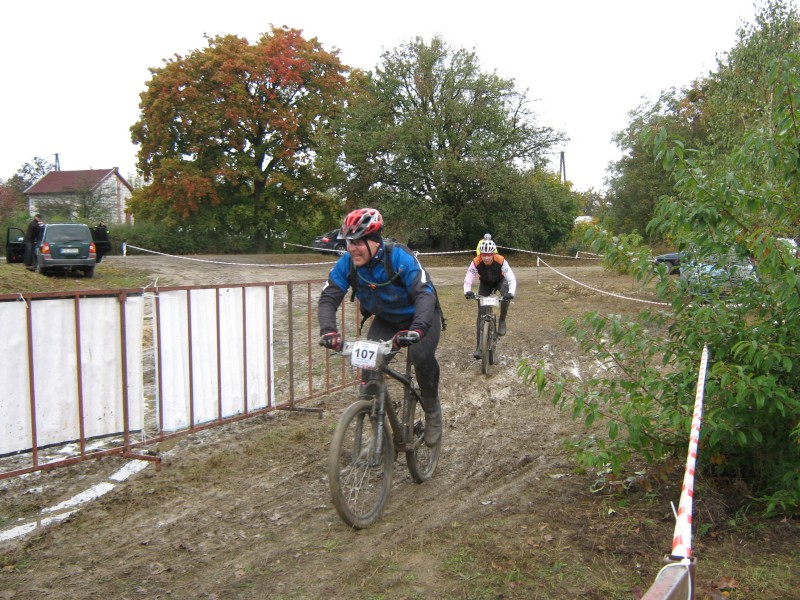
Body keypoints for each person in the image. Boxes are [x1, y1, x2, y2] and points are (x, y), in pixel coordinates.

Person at [318, 208, 444, 446]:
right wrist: (328, 331)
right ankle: (378, 433)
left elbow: (424, 294)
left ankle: (432, 410)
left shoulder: (399, 258)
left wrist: (418, 328)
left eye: (357, 242)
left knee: (421, 356)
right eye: (348, 242)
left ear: (374, 241)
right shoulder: (348, 263)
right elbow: (329, 296)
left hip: (420, 317)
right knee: (369, 370)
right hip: (387, 319)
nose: (351, 248)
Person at [463, 238, 517, 359]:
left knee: (505, 292)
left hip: (500, 281)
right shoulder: (476, 262)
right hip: (485, 284)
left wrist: (511, 293)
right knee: (481, 313)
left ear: (493, 254)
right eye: (484, 255)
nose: (486, 258)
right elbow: (468, 279)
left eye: (489, 255)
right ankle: (479, 347)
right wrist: (467, 291)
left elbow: (511, 279)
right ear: (480, 254)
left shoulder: (501, 260)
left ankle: (502, 320)